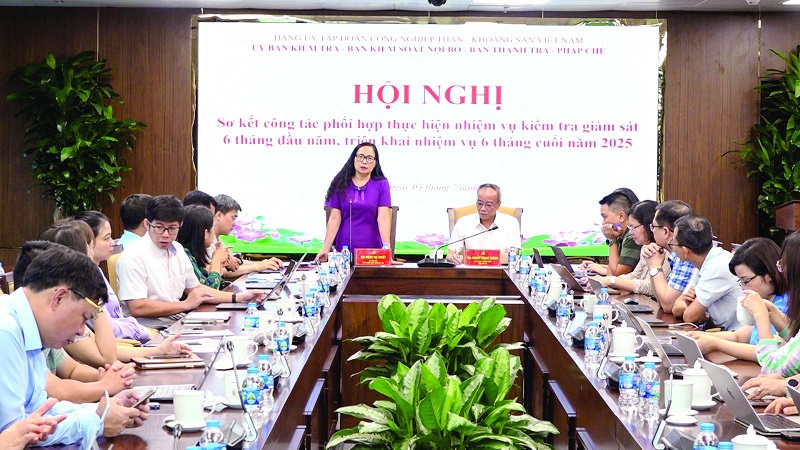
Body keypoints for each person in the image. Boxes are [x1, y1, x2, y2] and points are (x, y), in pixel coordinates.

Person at [0, 245, 149, 446]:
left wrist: (103, 410)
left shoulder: (30, 328)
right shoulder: (5, 331)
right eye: (84, 317)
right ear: (58, 298)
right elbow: (16, 433)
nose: (81, 331)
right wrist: (96, 422)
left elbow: (39, 410)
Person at [116, 195, 267, 329]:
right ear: (147, 224)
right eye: (159, 227)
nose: (166, 235)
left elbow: (196, 289)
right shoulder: (133, 256)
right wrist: (185, 305)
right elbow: (137, 307)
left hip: (175, 320)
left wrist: (239, 297)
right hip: (149, 327)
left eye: (172, 228)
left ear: (180, 225)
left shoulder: (177, 249)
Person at [683, 237, 788, 363]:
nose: (743, 288)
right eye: (740, 282)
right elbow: (738, 336)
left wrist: (716, 343)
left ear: (769, 276)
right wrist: (698, 336)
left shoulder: (783, 306)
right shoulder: (766, 301)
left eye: (746, 281)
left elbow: (767, 352)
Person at [316, 142, 392, 261]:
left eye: (369, 158)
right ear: (354, 159)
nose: (364, 161)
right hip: (344, 251)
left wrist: (386, 250)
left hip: (372, 253)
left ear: (375, 163)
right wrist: (325, 249)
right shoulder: (341, 183)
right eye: (360, 157)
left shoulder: (382, 184)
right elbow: (335, 218)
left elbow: (383, 218)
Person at [670, 215, 743, 330]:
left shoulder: (718, 265)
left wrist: (698, 313)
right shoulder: (703, 261)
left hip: (737, 334)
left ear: (685, 251)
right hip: (720, 331)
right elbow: (676, 308)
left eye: (673, 243)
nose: (672, 246)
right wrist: (691, 306)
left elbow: (689, 317)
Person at [590, 200, 670, 296]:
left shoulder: (666, 252)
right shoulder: (646, 248)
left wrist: (612, 281)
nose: (631, 232)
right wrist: (604, 280)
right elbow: (634, 276)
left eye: (633, 227)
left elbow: (649, 287)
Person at [640, 200, 696, 313]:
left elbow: (668, 306)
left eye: (653, 226)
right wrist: (652, 265)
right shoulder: (674, 256)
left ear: (665, 232)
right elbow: (660, 301)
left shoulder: (685, 256)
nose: (652, 231)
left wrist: (655, 267)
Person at [446, 183, 521, 265]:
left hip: (500, 272)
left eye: (488, 205)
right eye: (480, 203)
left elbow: (511, 256)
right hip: (472, 272)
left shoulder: (511, 223)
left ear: (498, 205)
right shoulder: (463, 222)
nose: (483, 208)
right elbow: (450, 254)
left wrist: (477, 258)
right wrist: (453, 257)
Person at [213, 194, 282, 276]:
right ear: (219, 215)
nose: (235, 223)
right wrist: (256, 267)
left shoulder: (217, 238)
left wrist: (263, 263)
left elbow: (236, 262)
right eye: (233, 218)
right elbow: (221, 271)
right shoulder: (207, 240)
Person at [581, 189, 641, 276]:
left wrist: (612, 239)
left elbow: (616, 274)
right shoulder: (622, 236)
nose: (603, 222)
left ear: (621, 216)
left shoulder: (632, 237)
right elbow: (615, 268)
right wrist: (597, 266)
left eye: (605, 217)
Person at [177, 205, 229, 289]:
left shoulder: (195, 254)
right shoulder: (184, 255)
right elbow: (208, 290)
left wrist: (219, 264)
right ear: (205, 233)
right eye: (213, 228)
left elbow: (217, 283)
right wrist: (216, 260)